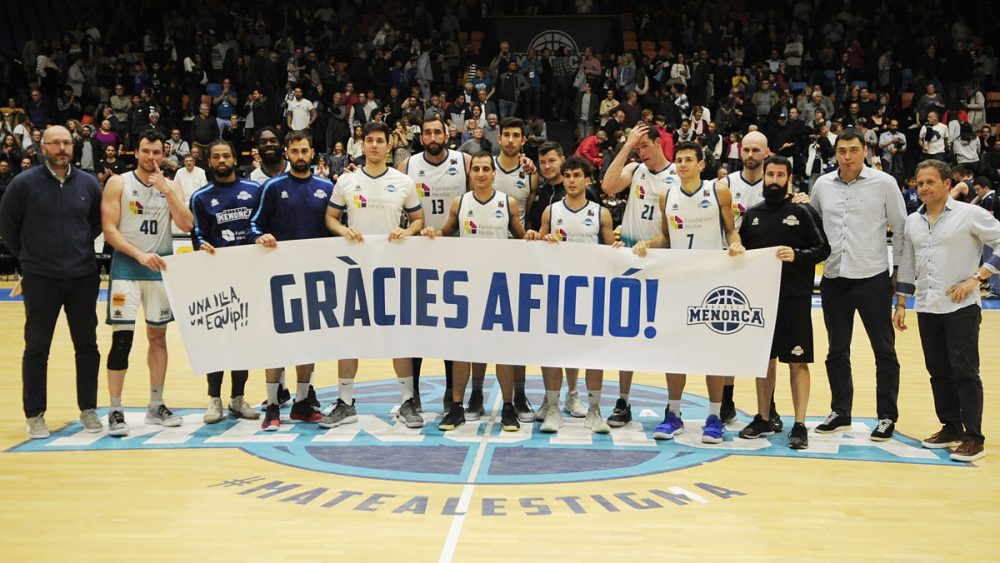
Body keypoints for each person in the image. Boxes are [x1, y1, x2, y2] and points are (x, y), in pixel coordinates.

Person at [633, 141, 745, 444]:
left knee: (713, 353)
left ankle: (714, 415)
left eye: (688, 160)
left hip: (711, 283)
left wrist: (735, 242)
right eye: (679, 160)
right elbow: (666, 237)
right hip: (678, 282)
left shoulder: (717, 191)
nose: (682, 165)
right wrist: (648, 245)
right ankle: (674, 413)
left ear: (701, 164)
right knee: (676, 351)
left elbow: (731, 229)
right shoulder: (666, 196)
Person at [321, 121, 426, 430]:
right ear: (362, 145)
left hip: (392, 270)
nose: (376, 145)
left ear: (388, 145)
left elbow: (419, 219)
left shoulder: (403, 181)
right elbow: (330, 217)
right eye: (370, 140)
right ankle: (346, 402)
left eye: (381, 140)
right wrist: (343, 228)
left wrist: (406, 230)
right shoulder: (346, 181)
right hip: (355, 268)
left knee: (398, 336)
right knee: (349, 336)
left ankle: (407, 401)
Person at [0, 125, 103, 439]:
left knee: (87, 346)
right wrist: (31, 258)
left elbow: (96, 225)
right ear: (41, 146)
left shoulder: (88, 183)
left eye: (66, 143)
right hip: (41, 278)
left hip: (83, 276)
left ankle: (88, 409)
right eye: (55, 143)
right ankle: (35, 415)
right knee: (37, 348)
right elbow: (8, 228)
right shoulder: (23, 184)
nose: (62, 148)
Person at [894, 159, 1000, 462]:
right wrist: (901, 303)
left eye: (930, 182)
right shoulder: (914, 221)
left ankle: (973, 438)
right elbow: (908, 264)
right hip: (927, 307)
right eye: (920, 183)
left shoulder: (970, 215)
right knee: (938, 373)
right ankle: (951, 427)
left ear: (947, 184)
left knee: (965, 372)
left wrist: (976, 278)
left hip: (961, 308)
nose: (924, 188)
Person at [421, 151, 535, 431]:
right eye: (477, 169)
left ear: (494, 173)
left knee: (501, 349)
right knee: (464, 347)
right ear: (470, 173)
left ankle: (508, 408)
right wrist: (432, 233)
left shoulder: (507, 203)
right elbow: (446, 230)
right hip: (467, 285)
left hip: (500, 285)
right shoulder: (460, 202)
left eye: (487, 169)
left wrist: (532, 236)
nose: (482, 173)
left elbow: (521, 236)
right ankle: (458, 407)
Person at [807, 128, 907, 441]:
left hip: (873, 278)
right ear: (835, 153)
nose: (847, 157)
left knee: (884, 351)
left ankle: (887, 416)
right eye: (842, 151)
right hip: (834, 279)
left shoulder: (884, 183)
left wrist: (898, 272)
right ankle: (841, 411)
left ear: (865, 150)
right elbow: (812, 226)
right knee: (836, 350)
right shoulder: (822, 185)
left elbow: (901, 229)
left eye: (853, 150)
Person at [101, 130, 194, 436]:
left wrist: (167, 191)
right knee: (122, 341)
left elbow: (187, 224)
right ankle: (116, 409)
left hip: (160, 270)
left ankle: (156, 404)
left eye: (156, 152)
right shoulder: (118, 183)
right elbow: (110, 231)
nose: (151, 157)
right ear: (136, 152)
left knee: (158, 338)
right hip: (127, 269)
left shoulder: (172, 185)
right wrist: (140, 254)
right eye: (145, 151)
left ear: (163, 153)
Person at [737, 156, 830, 449]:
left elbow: (823, 248)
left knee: (798, 362)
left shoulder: (803, 211)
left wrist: (798, 255)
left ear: (788, 178)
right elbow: (739, 251)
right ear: (763, 177)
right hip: (761, 300)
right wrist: (735, 248)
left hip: (795, 299)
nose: (774, 180)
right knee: (764, 362)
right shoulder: (752, 214)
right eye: (770, 175)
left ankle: (800, 424)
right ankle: (763, 417)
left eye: (780, 175)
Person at [249, 130, 334, 431]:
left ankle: (301, 402)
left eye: (304, 151)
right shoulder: (273, 187)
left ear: (313, 153)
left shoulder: (327, 187)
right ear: (287, 153)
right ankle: (272, 405)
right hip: (277, 277)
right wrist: (260, 236)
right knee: (277, 342)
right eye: (294, 151)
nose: (300, 156)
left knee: (307, 343)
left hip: (314, 278)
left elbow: (336, 228)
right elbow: (253, 224)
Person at [600, 122, 678, 428]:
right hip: (631, 258)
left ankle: (674, 407)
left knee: (669, 338)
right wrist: (627, 146)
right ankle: (623, 401)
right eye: (638, 147)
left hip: (664, 259)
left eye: (645, 145)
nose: (641, 151)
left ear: (659, 144)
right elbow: (607, 186)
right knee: (626, 336)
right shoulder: (634, 170)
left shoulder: (676, 174)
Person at [536, 156, 620, 434]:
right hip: (557, 290)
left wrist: (619, 244)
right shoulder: (551, 211)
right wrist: (541, 239)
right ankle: (552, 408)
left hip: (591, 292)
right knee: (552, 351)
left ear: (587, 179)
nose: (571, 180)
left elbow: (612, 253)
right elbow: (538, 248)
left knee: (594, 354)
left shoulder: (601, 213)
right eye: (567, 175)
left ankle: (594, 412)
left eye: (576, 175)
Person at [400, 116, 470, 413]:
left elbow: (491, 173)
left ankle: (451, 394)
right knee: (418, 328)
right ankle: (412, 393)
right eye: (427, 132)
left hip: (456, 251)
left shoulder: (464, 160)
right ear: (421, 137)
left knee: (451, 329)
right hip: (418, 253)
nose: (432, 136)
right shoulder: (407, 166)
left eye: (437, 131)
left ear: (447, 134)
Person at [188, 140, 262, 423]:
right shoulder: (201, 197)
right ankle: (214, 399)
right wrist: (202, 245)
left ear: (234, 159)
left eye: (226, 156)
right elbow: (198, 234)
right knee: (217, 339)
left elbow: (262, 225)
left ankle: (238, 397)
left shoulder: (254, 190)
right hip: (216, 278)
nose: (222, 160)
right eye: (216, 157)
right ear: (209, 161)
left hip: (249, 275)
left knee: (243, 340)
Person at [713, 131, 773, 427]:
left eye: (755, 150)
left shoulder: (775, 183)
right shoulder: (725, 184)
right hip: (731, 266)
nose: (750, 155)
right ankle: (726, 399)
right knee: (727, 336)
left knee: (766, 342)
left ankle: (769, 405)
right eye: (745, 150)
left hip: (764, 270)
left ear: (766, 153)